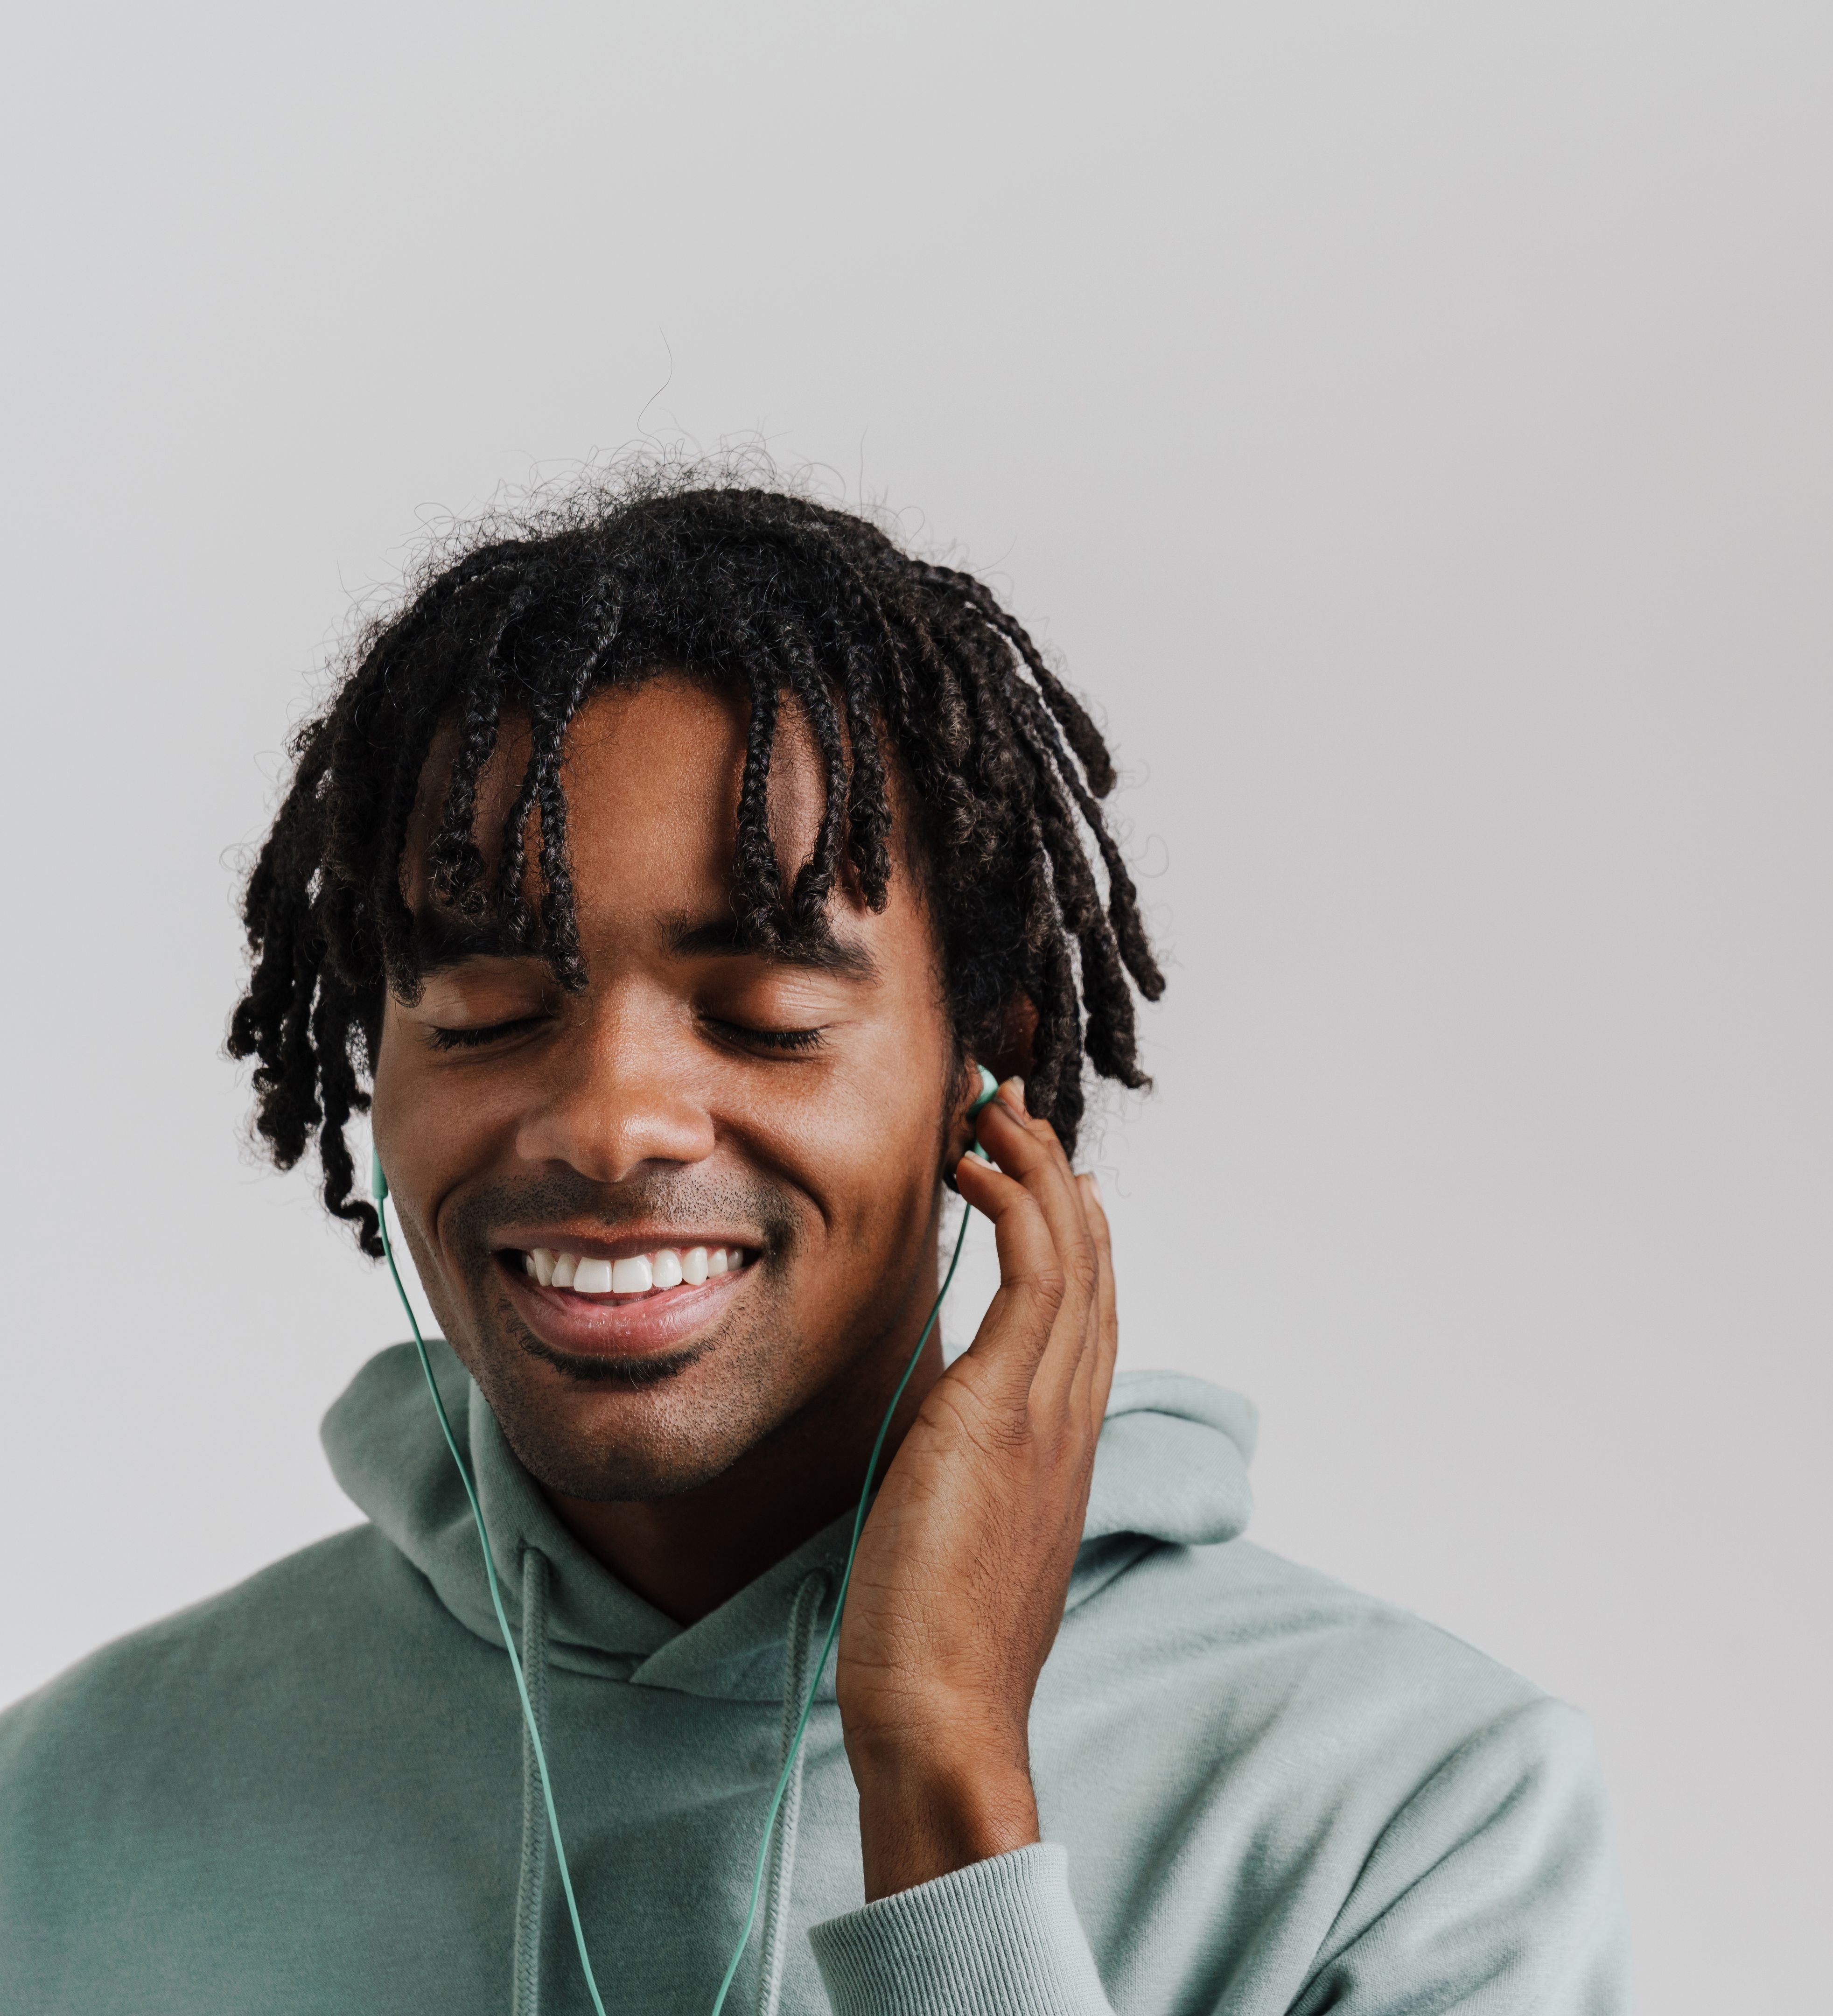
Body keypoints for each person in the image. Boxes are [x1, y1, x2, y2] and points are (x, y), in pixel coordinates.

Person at [0, 473, 1629, 2015]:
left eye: (766, 1012)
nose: (612, 1120)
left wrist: (946, 1784)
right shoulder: (63, 1811)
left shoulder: (1407, 1817)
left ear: (981, 1066)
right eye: (486, 1007)